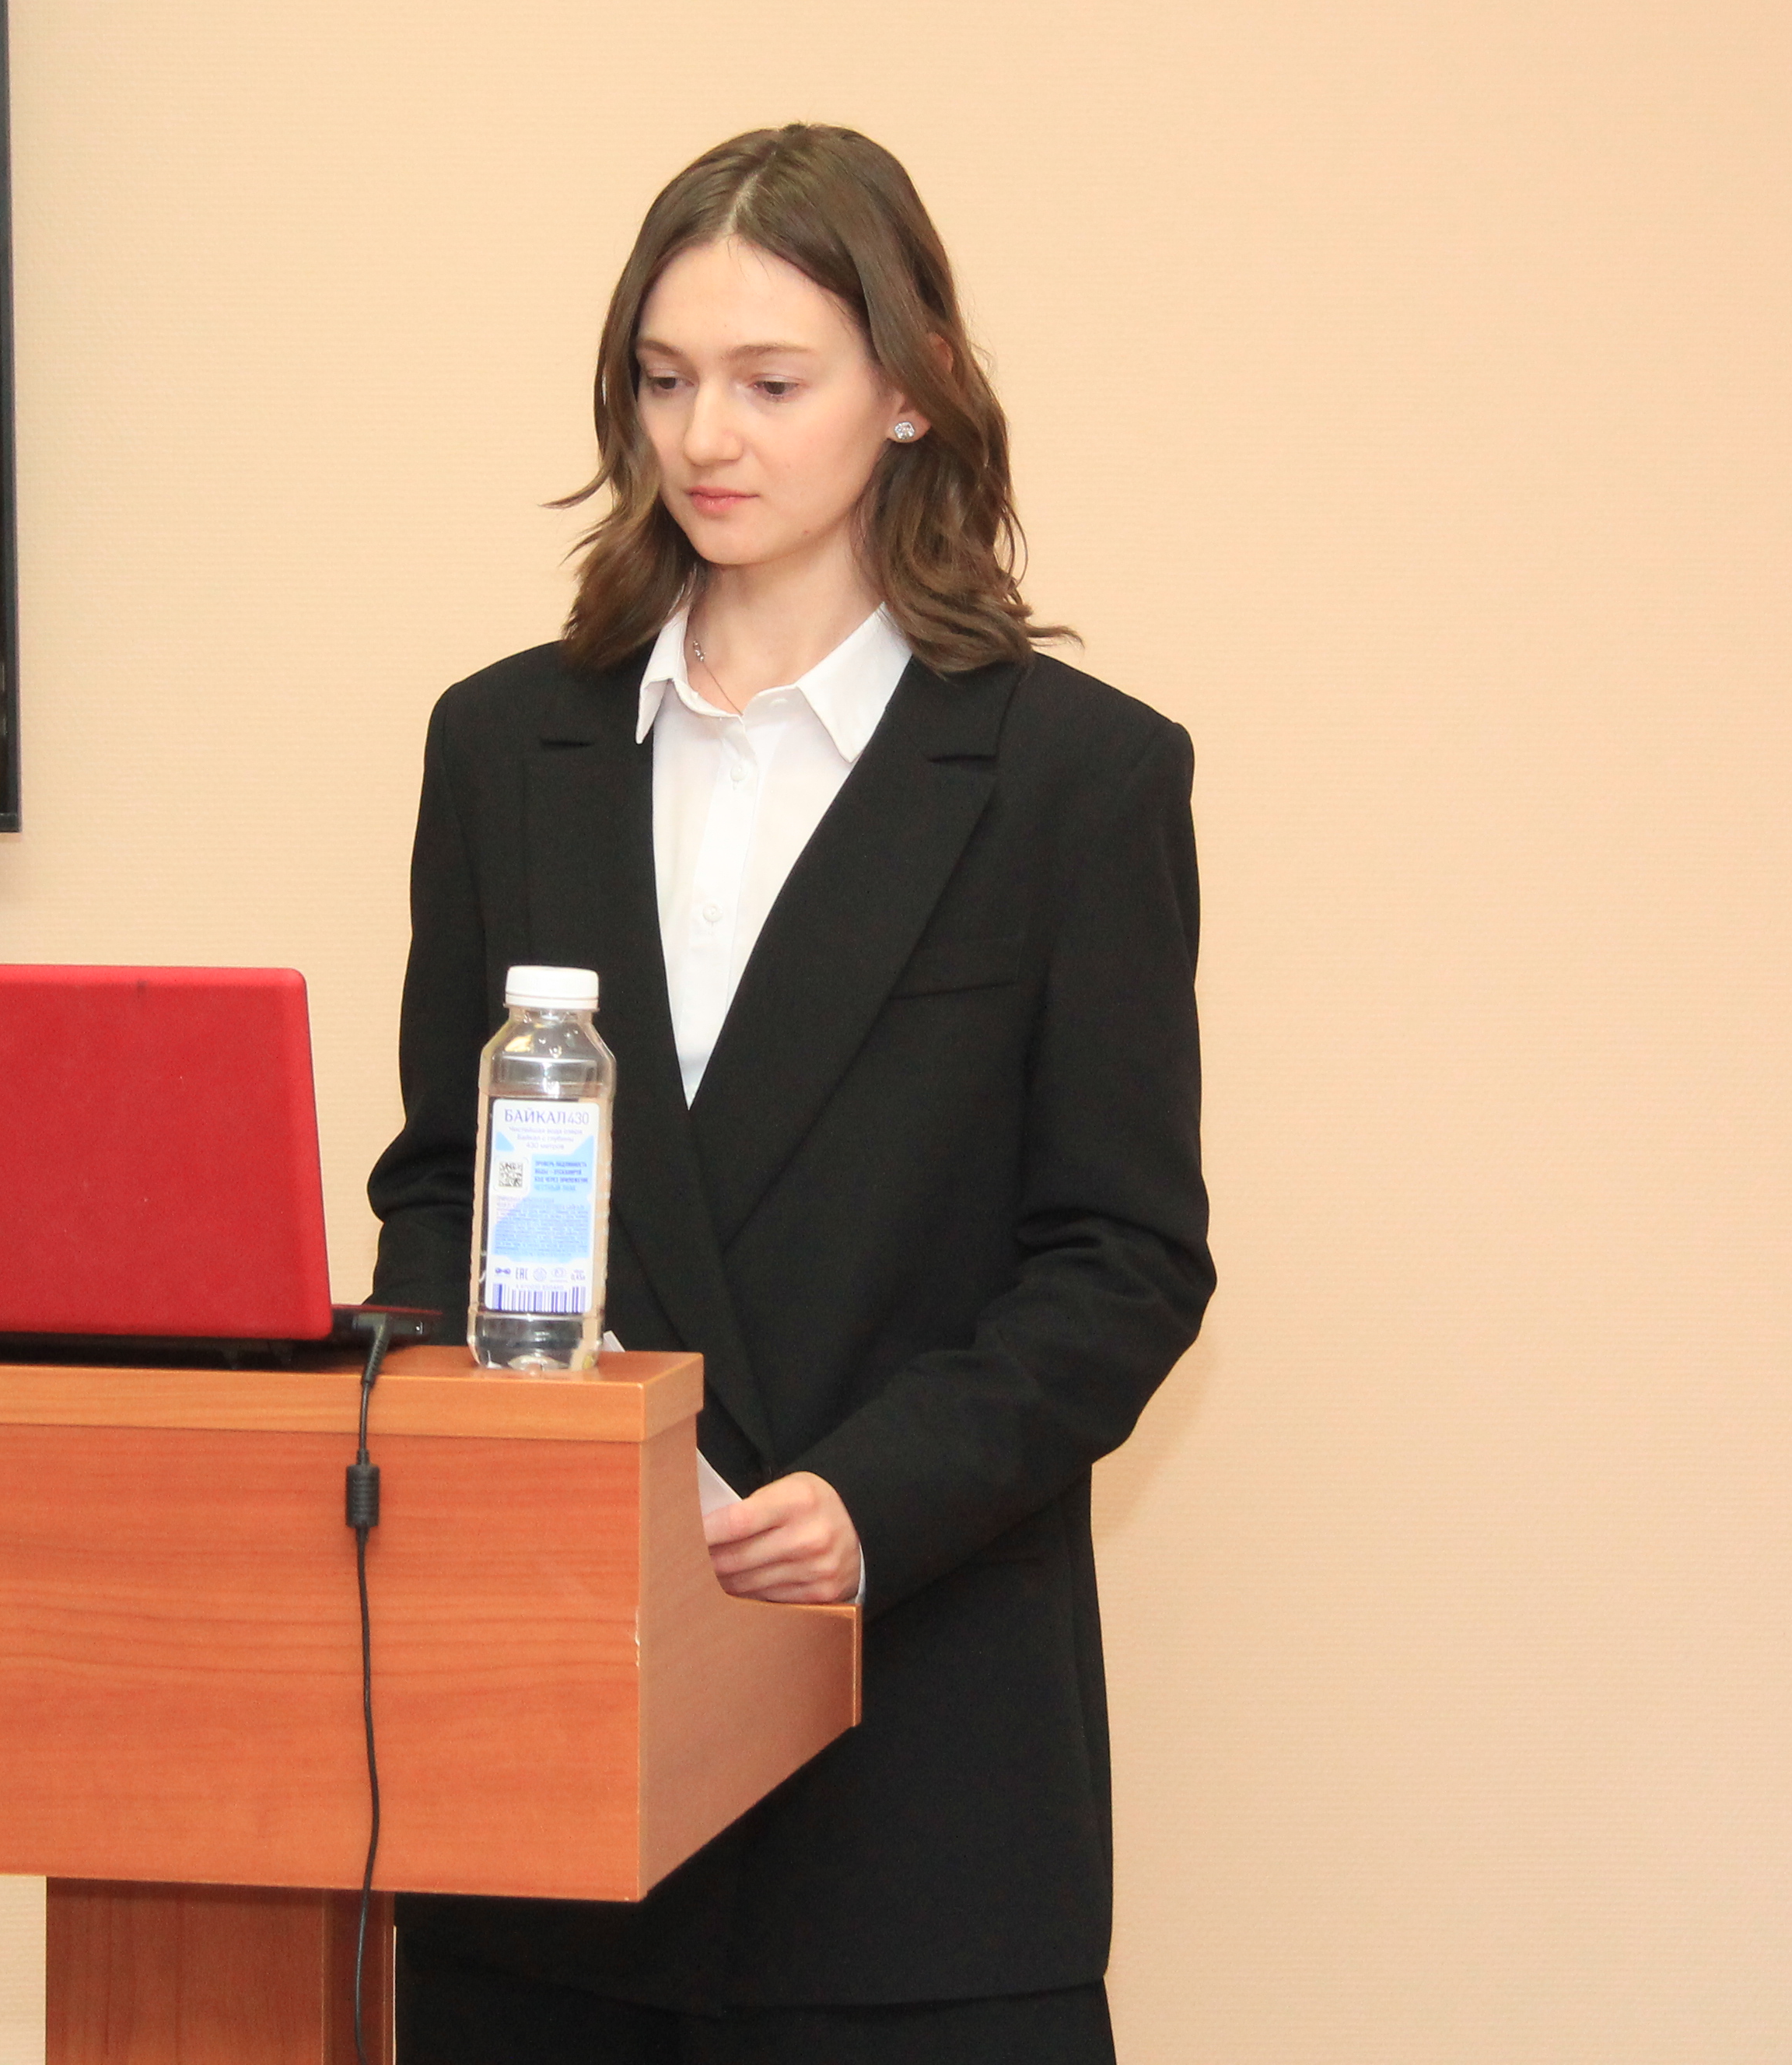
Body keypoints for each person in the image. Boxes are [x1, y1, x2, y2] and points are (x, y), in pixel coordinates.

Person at [369, 124, 1213, 2062]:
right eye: (664, 379)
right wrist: (497, 1433)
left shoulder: (1076, 777)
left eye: (769, 382)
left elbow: (1121, 1261)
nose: (703, 436)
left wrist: (866, 1502)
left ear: (911, 390)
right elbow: (439, 1183)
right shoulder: (504, 742)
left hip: (915, 1777)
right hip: (548, 1752)